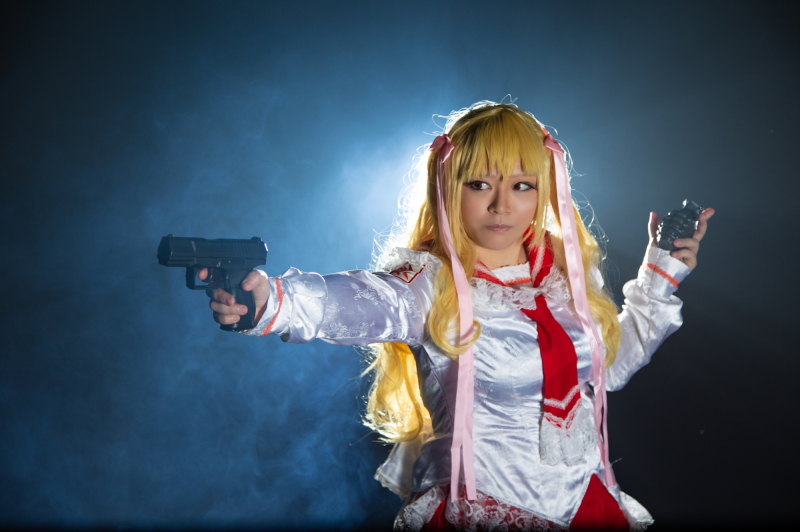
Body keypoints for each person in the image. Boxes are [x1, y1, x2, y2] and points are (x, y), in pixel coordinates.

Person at [200, 102, 714, 530]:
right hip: (483, 508)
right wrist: (271, 299)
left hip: (588, 506)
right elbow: (353, 301)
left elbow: (609, 367)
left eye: (521, 185)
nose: (501, 206)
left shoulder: (566, 271)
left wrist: (661, 272)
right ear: (449, 185)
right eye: (480, 184)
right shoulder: (429, 280)